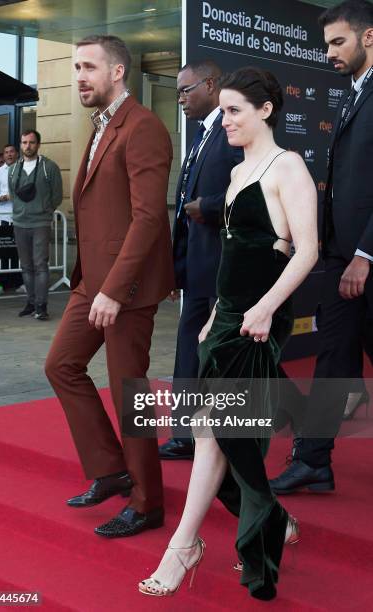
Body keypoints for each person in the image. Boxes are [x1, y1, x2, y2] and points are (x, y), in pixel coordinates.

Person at [139, 67, 318, 601]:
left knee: (214, 431)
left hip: (260, 323)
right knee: (213, 431)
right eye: (225, 112)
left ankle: (183, 545)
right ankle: (270, 520)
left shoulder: (289, 167)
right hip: (230, 317)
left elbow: (305, 250)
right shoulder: (240, 173)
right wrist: (217, 312)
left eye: (236, 110)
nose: (226, 121)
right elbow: (234, 254)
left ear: (265, 110)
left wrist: (262, 310)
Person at [45, 35, 175, 538]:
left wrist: (115, 290)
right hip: (91, 283)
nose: (79, 76)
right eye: (75, 66)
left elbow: (147, 219)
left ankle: (147, 503)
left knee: (130, 395)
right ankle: (111, 469)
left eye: (88, 67)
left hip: (129, 289)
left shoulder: (141, 127)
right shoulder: (100, 126)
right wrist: (94, 284)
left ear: (117, 72)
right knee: (61, 366)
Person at [270, 0, 373, 495]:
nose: (328, 52)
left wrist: (366, 255)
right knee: (333, 357)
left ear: (368, 37)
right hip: (340, 256)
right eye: (327, 43)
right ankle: (314, 458)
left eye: (338, 42)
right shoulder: (351, 95)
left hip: (364, 258)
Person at [159, 60, 243, 461]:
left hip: (224, 266)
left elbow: (252, 192)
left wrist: (207, 207)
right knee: (188, 351)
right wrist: (177, 268)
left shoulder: (230, 132)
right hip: (195, 267)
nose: (180, 99)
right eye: (177, 91)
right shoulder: (200, 135)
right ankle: (184, 434)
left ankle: (224, 438)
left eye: (185, 90)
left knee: (221, 355)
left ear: (211, 84)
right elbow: (180, 209)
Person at [8, 130, 63, 320]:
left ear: (38, 144)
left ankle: (41, 305)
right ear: (20, 145)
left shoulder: (49, 167)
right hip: (20, 222)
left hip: (40, 222)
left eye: (31, 142)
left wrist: (44, 211)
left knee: (40, 264)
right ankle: (30, 303)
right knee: (26, 265)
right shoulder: (13, 169)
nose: (27, 146)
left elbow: (57, 195)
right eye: (24, 142)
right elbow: (13, 194)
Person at [0, 144, 24, 296]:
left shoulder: (25, 170)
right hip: (3, 218)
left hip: (22, 218)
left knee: (22, 252)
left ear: (17, 154)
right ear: (3, 155)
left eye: (12, 152)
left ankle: (22, 283)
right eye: (6, 152)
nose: (9, 155)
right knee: (2, 252)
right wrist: (5, 197)